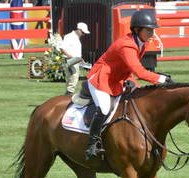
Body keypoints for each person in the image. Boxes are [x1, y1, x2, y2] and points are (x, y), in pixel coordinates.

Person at [84, 10, 172, 160]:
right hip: (101, 79)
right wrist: (162, 79)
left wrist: (133, 80)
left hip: (117, 79)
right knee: (105, 109)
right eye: (149, 30)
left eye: (153, 29)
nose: (152, 33)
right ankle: (91, 145)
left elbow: (129, 68)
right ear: (137, 30)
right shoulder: (127, 45)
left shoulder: (141, 43)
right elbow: (139, 71)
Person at [60, 22, 90, 96]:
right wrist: (69, 55)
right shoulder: (69, 36)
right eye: (83, 32)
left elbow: (76, 51)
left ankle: (68, 93)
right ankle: (69, 94)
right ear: (79, 30)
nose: (83, 35)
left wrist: (80, 59)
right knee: (73, 77)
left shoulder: (76, 38)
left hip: (74, 60)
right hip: (70, 60)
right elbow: (62, 48)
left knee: (72, 78)